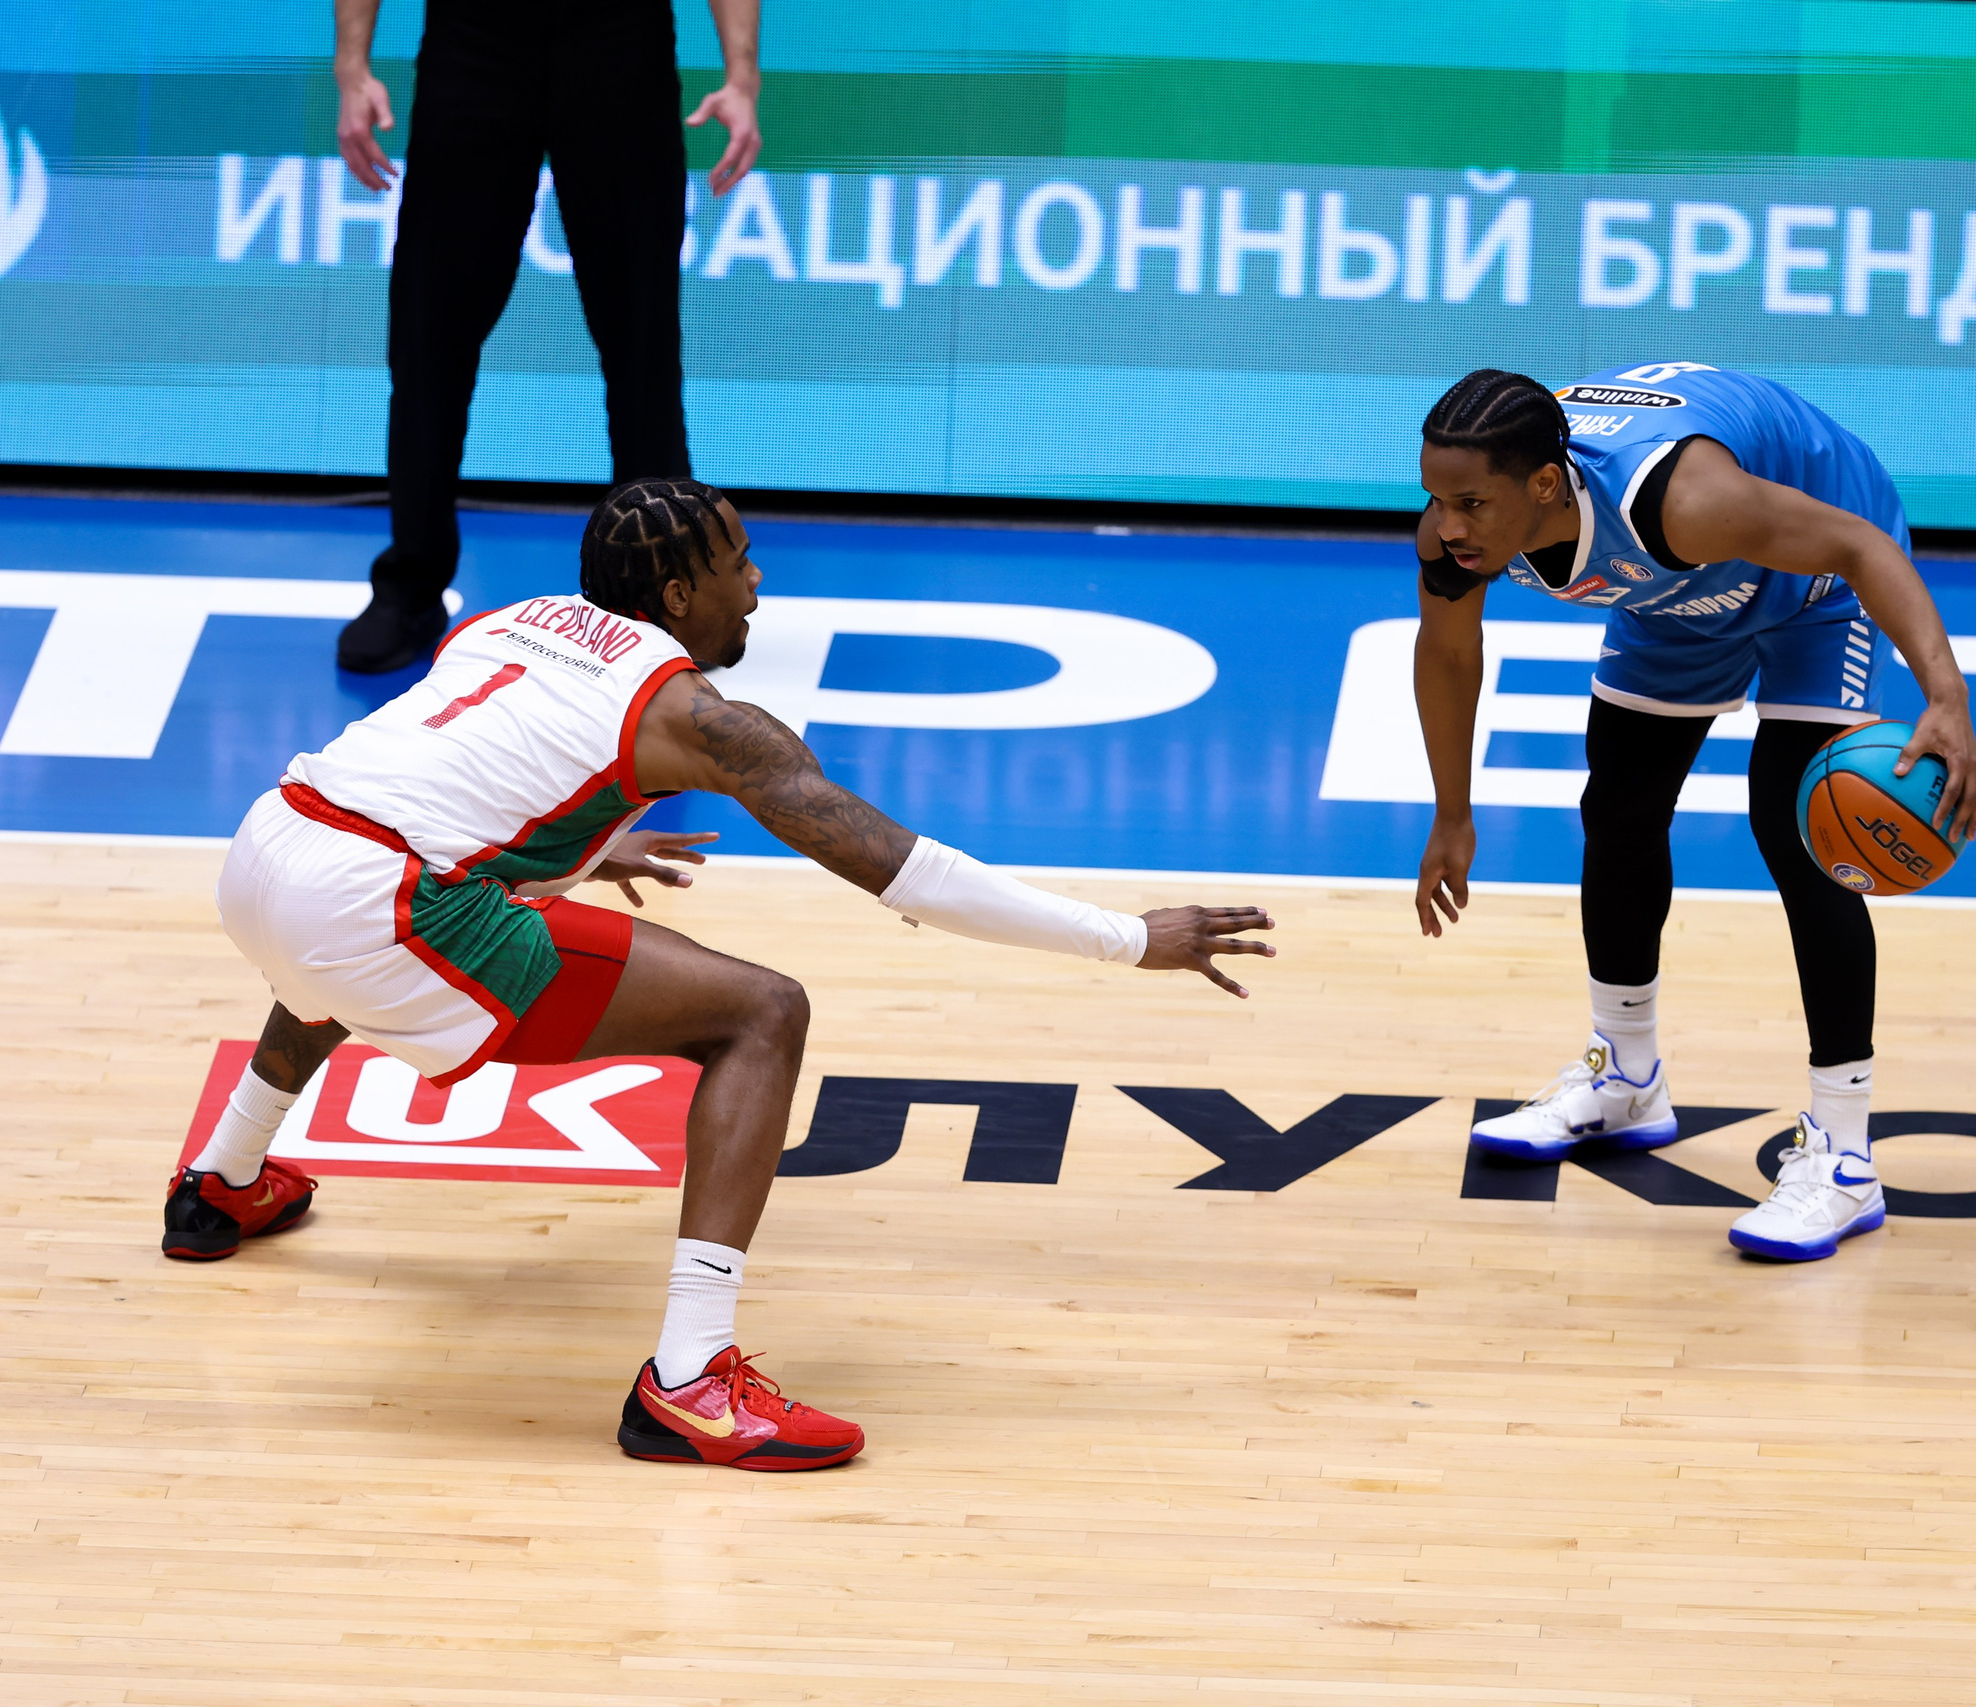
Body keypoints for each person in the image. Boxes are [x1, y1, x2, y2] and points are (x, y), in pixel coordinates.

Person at [167, 479, 1276, 1471]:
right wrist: (1129, 937)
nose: (756, 580)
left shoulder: (505, 622)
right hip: (383, 906)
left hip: (267, 849)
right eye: (737, 561)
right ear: (677, 588)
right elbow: (908, 874)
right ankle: (690, 1382)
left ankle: (219, 1182)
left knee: (346, 944)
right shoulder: (703, 720)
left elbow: (444, 774)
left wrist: (581, 847)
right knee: (760, 1012)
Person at [1408, 363, 1976, 1263]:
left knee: (1798, 828)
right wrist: (1452, 811)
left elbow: (1864, 549)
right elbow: (1447, 652)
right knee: (1620, 805)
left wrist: (1945, 697)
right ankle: (1628, 1077)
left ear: (1546, 485)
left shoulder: (1684, 499)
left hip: (1817, 589)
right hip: (1672, 596)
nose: (1446, 526)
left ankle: (1842, 1157)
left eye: (1471, 503)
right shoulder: (1456, 534)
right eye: (1436, 498)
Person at [328, 0, 764, 673]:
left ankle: (663, 601)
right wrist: (351, 67)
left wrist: (742, 75)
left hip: (620, 41)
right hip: (473, 42)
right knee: (429, 334)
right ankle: (411, 586)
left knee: (642, 343)